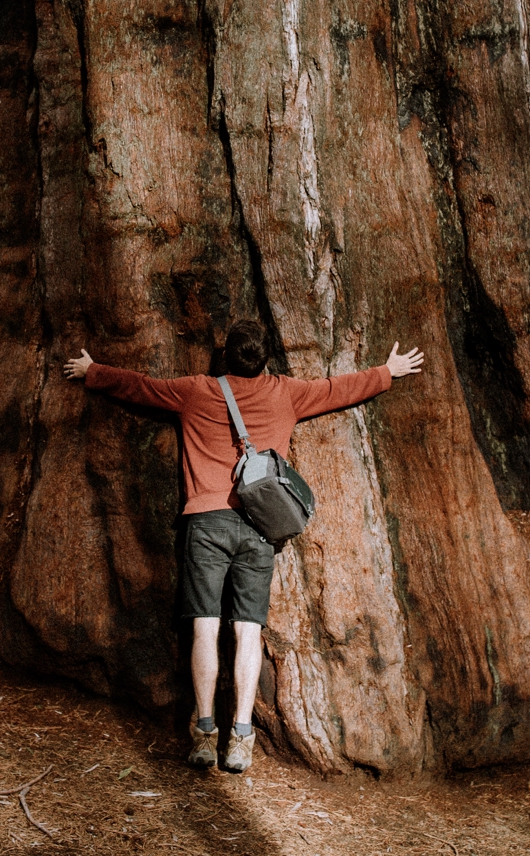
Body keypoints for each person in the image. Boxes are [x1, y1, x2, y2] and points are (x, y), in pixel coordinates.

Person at [63, 321, 423, 772]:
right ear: (266, 358)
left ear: (225, 358)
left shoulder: (195, 391)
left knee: (204, 628)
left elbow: (141, 388)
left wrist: (93, 369)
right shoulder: (284, 393)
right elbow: (337, 389)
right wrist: (387, 371)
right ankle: (242, 738)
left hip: (205, 523)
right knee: (248, 631)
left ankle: (204, 731)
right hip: (258, 526)